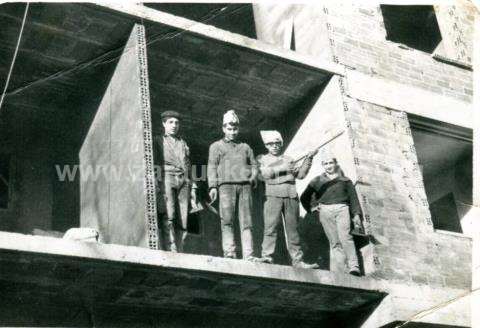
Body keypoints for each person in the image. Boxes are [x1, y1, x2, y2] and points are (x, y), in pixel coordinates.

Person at [256, 130, 319, 269]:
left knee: (293, 230)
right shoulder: (262, 159)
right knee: (270, 228)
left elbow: (301, 175)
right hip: (272, 196)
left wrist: (308, 159)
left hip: (291, 196)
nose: (275, 146)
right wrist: (284, 168)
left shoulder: (289, 159)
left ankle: (297, 261)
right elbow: (265, 174)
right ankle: (267, 257)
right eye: (271, 144)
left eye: (277, 143)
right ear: (266, 145)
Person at [207, 110, 258, 261]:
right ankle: (229, 252)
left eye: (235, 129)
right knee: (227, 220)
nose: (233, 132)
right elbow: (211, 167)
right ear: (223, 128)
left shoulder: (245, 147)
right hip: (225, 187)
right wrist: (213, 187)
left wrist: (253, 177)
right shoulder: (216, 146)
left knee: (247, 221)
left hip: (244, 187)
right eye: (229, 129)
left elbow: (254, 165)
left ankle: (248, 254)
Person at [300, 154, 363, 276]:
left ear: (335, 164)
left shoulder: (345, 180)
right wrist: (312, 208)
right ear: (323, 166)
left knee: (346, 238)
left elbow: (353, 198)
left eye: (330, 163)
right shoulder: (317, 181)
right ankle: (342, 270)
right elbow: (304, 196)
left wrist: (356, 214)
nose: (328, 166)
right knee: (334, 242)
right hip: (325, 211)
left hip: (342, 208)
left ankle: (354, 266)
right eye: (326, 163)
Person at [153, 110, 197, 253]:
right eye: (171, 122)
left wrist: (193, 186)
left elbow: (188, 164)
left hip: (183, 180)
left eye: (177, 123)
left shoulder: (183, 143)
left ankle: (180, 247)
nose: (174, 125)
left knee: (183, 217)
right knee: (169, 214)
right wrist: (157, 183)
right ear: (164, 124)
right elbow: (155, 164)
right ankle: (170, 247)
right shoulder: (158, 140)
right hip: (167, 177)